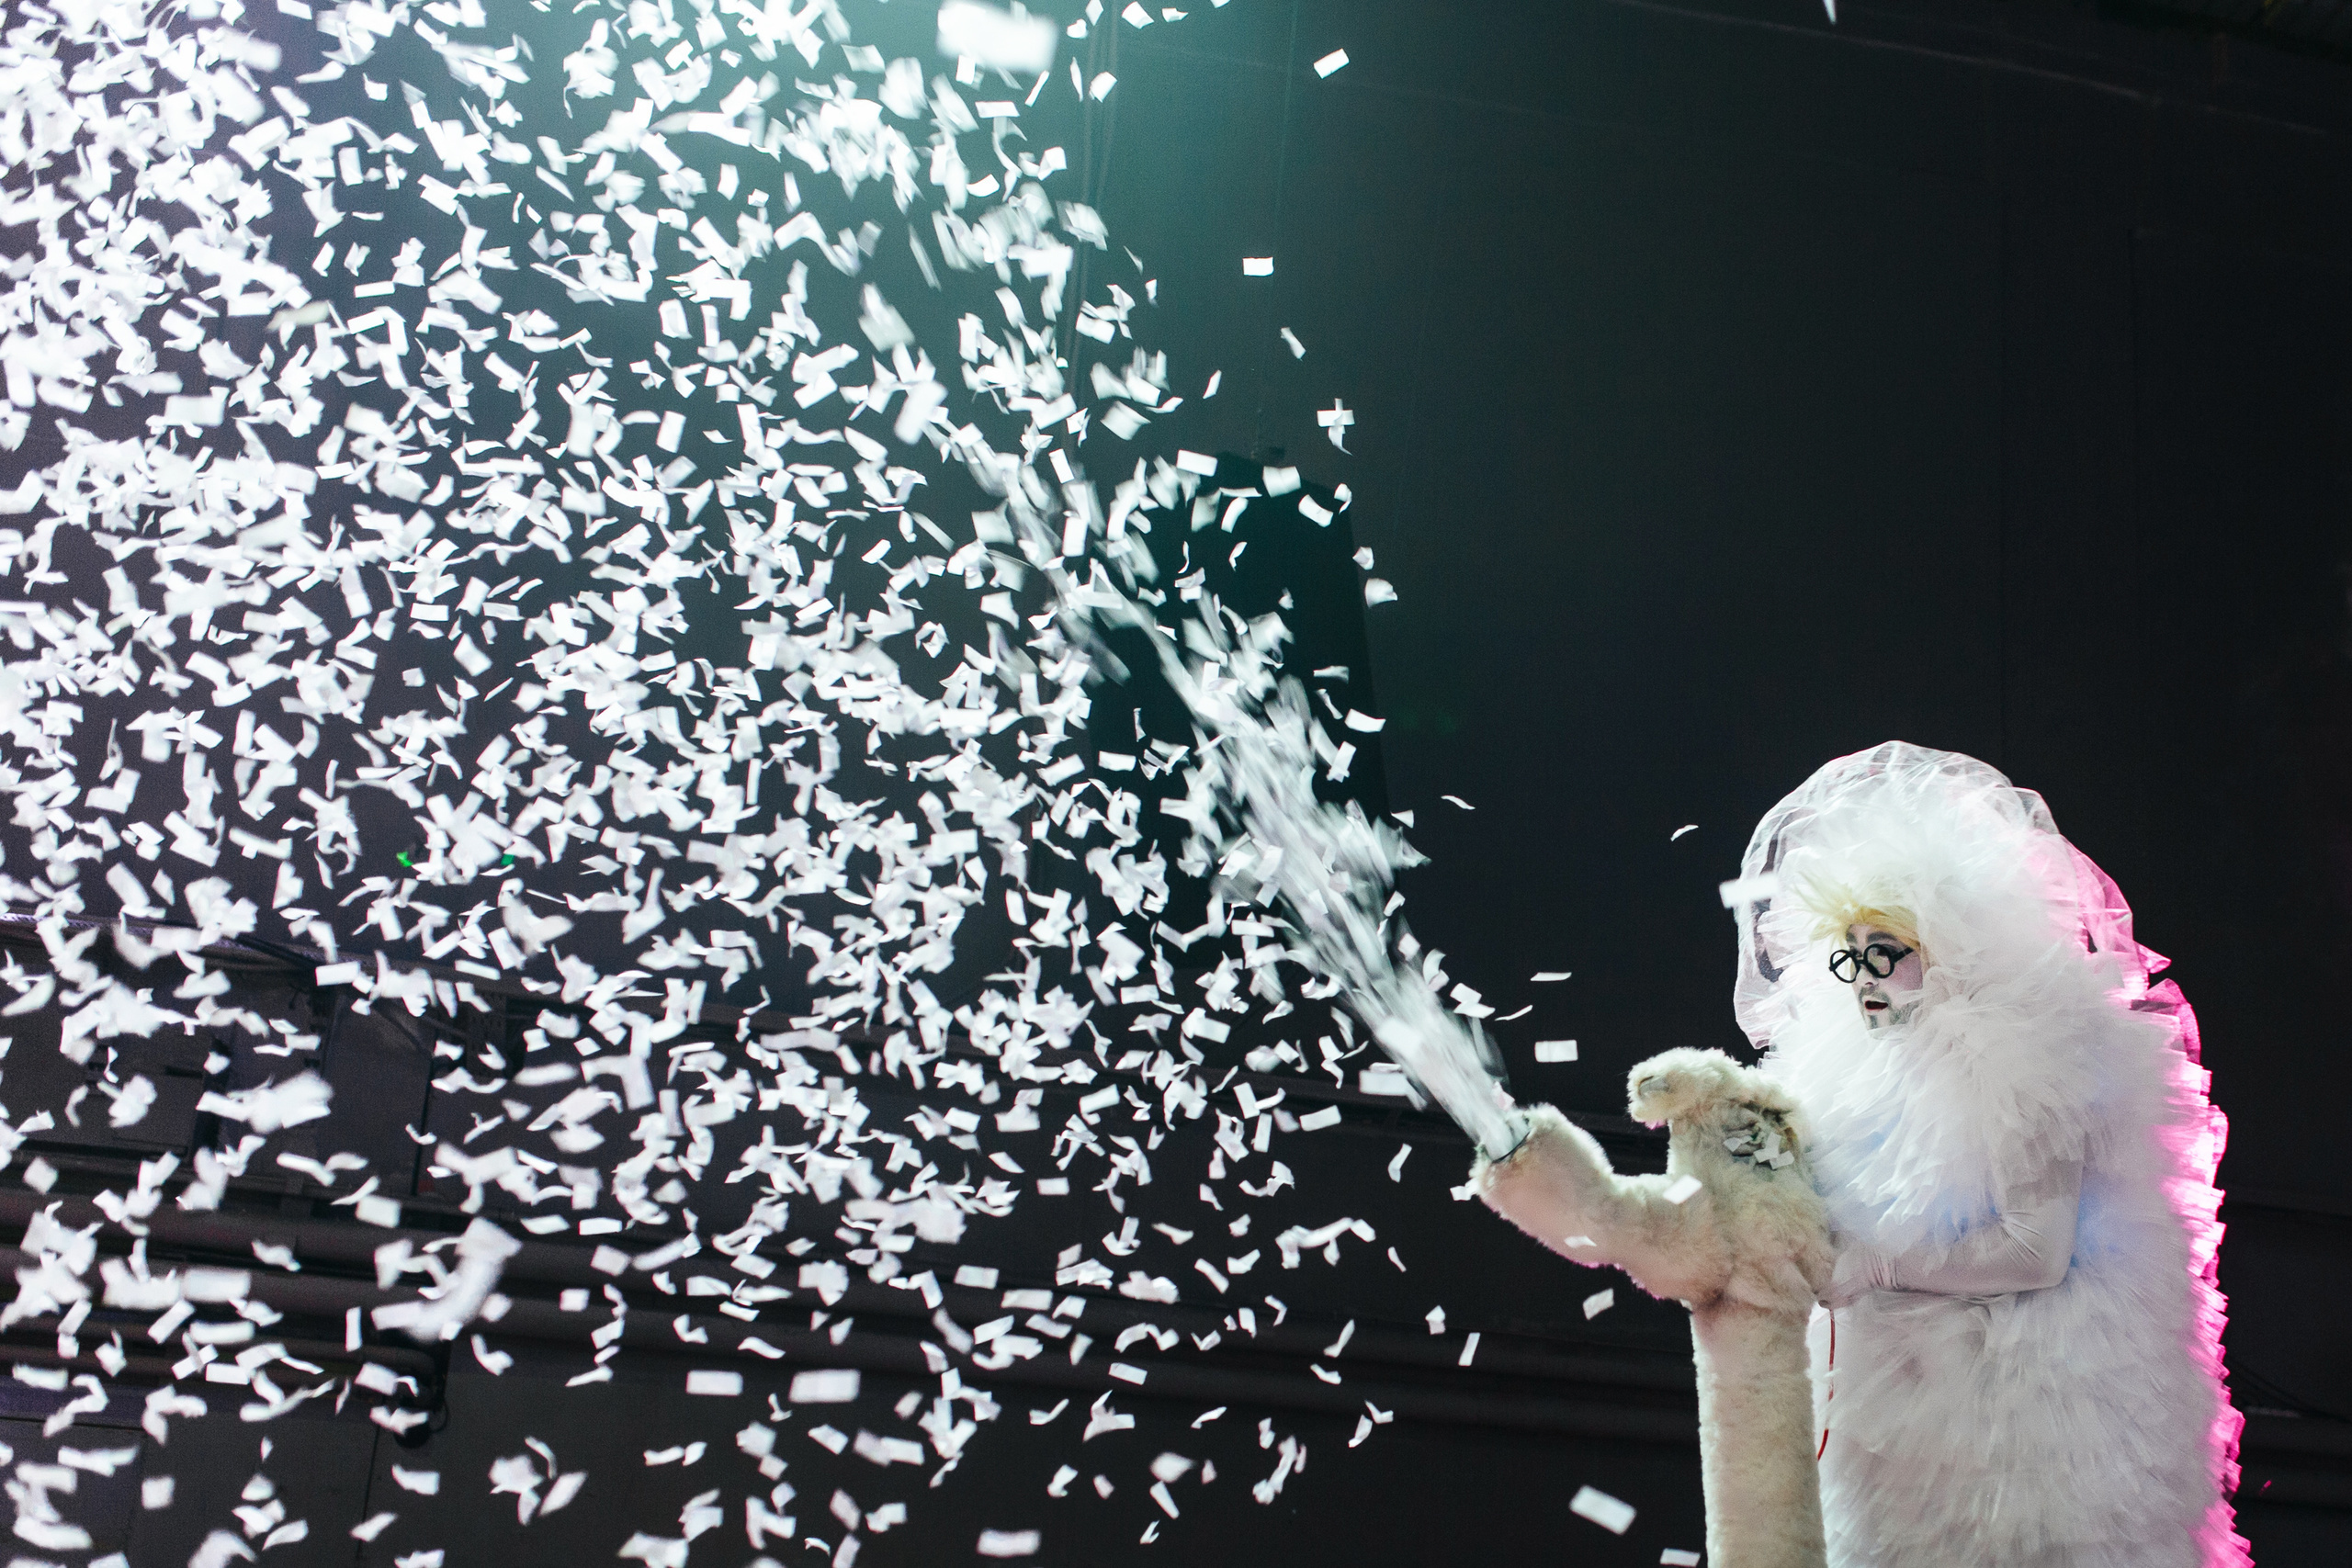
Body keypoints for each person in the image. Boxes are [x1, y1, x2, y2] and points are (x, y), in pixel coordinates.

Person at [1729, 741, 2246, 1567]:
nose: (1862, 976)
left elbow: (2037, 1251)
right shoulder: (1861, 1068)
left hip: (2026, 1410)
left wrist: (1883, 1267)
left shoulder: (2030, 1051)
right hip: (1904, 1411)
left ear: (1948, 943)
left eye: (1883, 950)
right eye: (1848, 954)